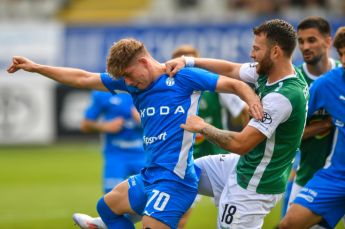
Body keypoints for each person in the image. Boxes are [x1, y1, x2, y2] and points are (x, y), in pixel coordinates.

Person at [7, 38, 262, 229]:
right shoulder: (133, 84)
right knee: (105, 208)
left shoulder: (182, 77)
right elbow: (82, 78)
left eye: (129, 76)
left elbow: (233, 84)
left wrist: (252, 101)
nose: (127, 84)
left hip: (176, 180)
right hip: (149, 176)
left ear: (143, 62)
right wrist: (36, 67)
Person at [165, 19, 308, 229]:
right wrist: (188, 61)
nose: (252, 54)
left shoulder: (282, 97)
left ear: (275, 51)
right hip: (245, 164)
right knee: (179, 173)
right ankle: (104, 221)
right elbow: (231, 68)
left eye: (256, 49)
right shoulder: (273, 72)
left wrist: (202, 126)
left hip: (256, 183)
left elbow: (241, 143)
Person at [171, 45, 249, 228]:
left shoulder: (214, 87)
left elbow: (244, 110)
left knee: (229, 218)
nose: (186, 68)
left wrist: (247, 143)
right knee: (178, 216)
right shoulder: (171, 90)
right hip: (187, 161)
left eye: (190, 62)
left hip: (218, 162)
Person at [279, 26, 345, 229]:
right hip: (336, 175)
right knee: (289, 224)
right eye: (342, 53)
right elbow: (292, 125)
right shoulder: (328, 84)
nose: (344, 59)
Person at [73, 90, 146, 229]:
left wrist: (144, 120)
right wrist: (104, 126)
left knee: (154, 196)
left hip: (144, 155)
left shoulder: (146, 89)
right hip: (116, 156)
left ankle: (99, 224)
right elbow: (85, 124)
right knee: (112, 204)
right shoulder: (103, 93)